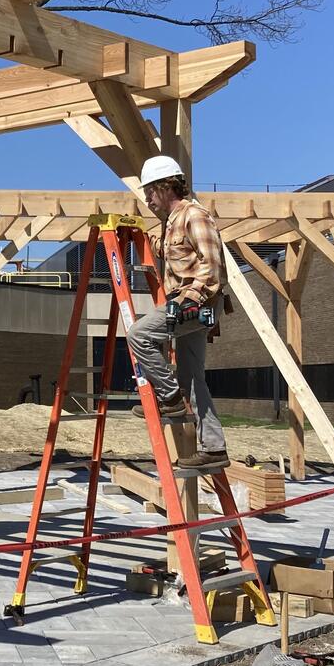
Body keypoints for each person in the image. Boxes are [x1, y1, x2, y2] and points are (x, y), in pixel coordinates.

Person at [125, 154, 229, 471]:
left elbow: (212, 270)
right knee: (194, 378)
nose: (147, 199)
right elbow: (172, 253)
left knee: (139, 335)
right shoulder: (172, 224)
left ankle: (169, 398)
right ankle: (214, 448)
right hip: (190, 303)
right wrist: (140, 234)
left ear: (165, 186)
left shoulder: (195, 216)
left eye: (149, 192)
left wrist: (187, 304)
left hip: (196, 303)